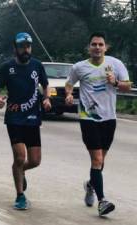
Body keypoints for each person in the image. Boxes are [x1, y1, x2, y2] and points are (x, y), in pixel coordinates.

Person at [65, 32, 131, 216]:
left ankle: (90, 185)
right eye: (94, 44)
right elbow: (69, 84)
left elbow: (128, 86)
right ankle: (102, 201)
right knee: (97, 160)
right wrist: (69, 94)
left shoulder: (115, 64)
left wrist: (115, 82)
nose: (97, 47)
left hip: (109, 118)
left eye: (100, 44)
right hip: (88, 117)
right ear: (89, 47)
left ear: (105, 47)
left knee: (101, 160)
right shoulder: (79, 67)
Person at [0, 32, 51, 210]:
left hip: (33, 118)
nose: (25, 49)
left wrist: (46, 98)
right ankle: (20, 195)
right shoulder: (7, 67)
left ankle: (21, 170)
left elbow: (46, 84)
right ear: (15, 48)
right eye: (22, 46)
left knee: (34, 161)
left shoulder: (37, 65)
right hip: (14, 118)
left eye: (28, 46)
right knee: (19, 157)